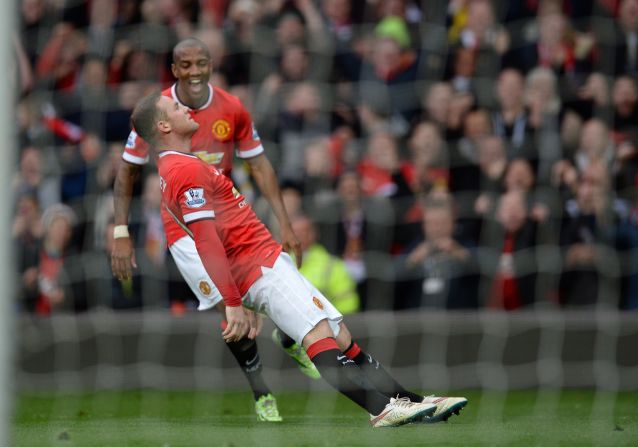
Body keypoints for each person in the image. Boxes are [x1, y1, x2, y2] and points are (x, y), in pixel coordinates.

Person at [130, 91, 468, 427]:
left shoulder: (179, 166)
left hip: (265, 260)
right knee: (317, 334)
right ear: (162, 125)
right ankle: (379, 409)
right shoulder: (182, 170)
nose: (185, 106)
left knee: (340, 336)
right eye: (175, 106)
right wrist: (232, 302)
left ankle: (409, 400)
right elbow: (205, 241)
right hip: (257, 266)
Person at [110, 37, 316, 422]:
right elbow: (127, 170)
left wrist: (285, 223)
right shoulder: (156, 112)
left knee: (265, 285)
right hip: (183, 228)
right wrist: (121, 230)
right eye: (184, 65)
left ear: (210, 64)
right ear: (174, 70)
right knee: (231, 303)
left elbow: (259, 164)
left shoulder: (231, 107)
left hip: (228, 216)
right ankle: (261, 393)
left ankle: (288, 335)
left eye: (200, 64)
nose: (193, 72)